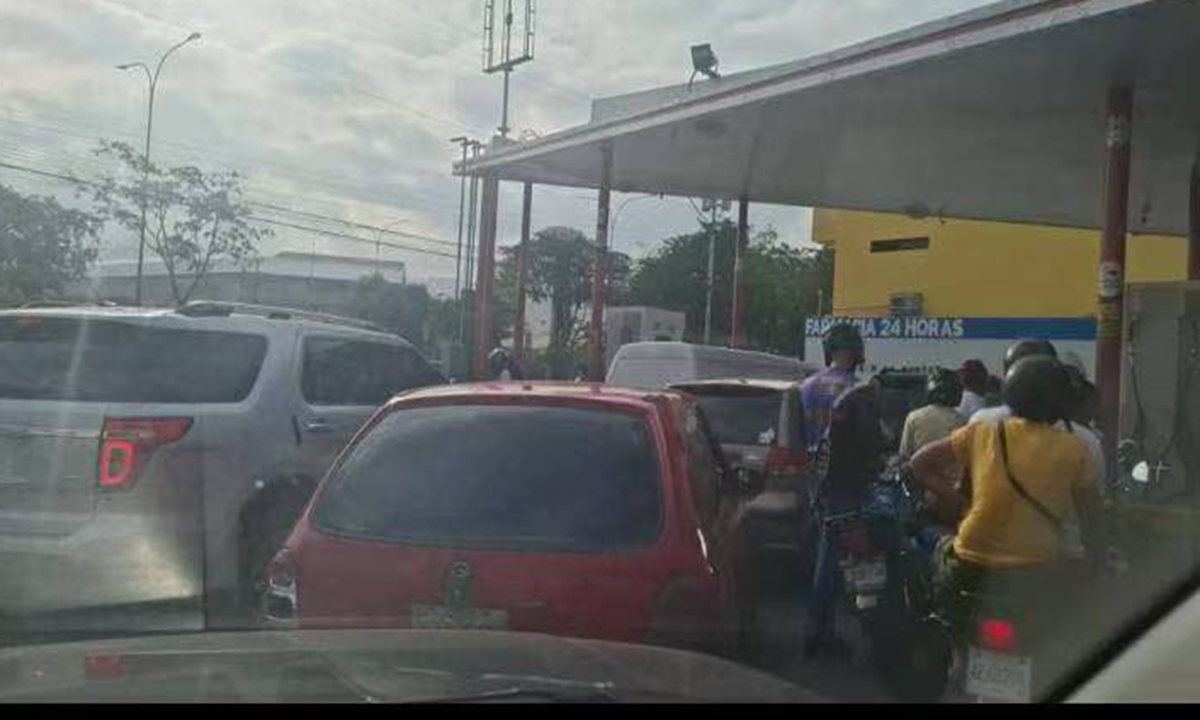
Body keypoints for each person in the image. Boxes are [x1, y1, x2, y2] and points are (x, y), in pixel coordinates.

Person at [906, 356, 1106, 629]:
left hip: (972, 564)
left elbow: (918, 463)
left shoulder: (983, 431)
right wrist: (1096, 558)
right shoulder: (1076, 448)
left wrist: (963, 502)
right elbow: (1091, 516)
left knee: (938, 551)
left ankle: (940, 633)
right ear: (1061, 400)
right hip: (1038, 568)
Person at [804, 375, 889, 659]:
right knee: (834, 565)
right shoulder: (861, 408)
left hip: (830, 494)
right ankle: (819, 632)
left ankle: (821, 630)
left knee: (830, 562)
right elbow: (877, 446)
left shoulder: (844, 411)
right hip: (843, 496)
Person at [800, 323, 865, 452]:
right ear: (857, 352)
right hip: (844, 466)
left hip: (808, 464)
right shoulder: (860, 390)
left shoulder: (805, 386)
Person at [899, 369, 966, 461]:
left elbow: (905, 454)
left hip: (920, 472)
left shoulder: (913, 417)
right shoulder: (960, 420)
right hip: (950, 473)